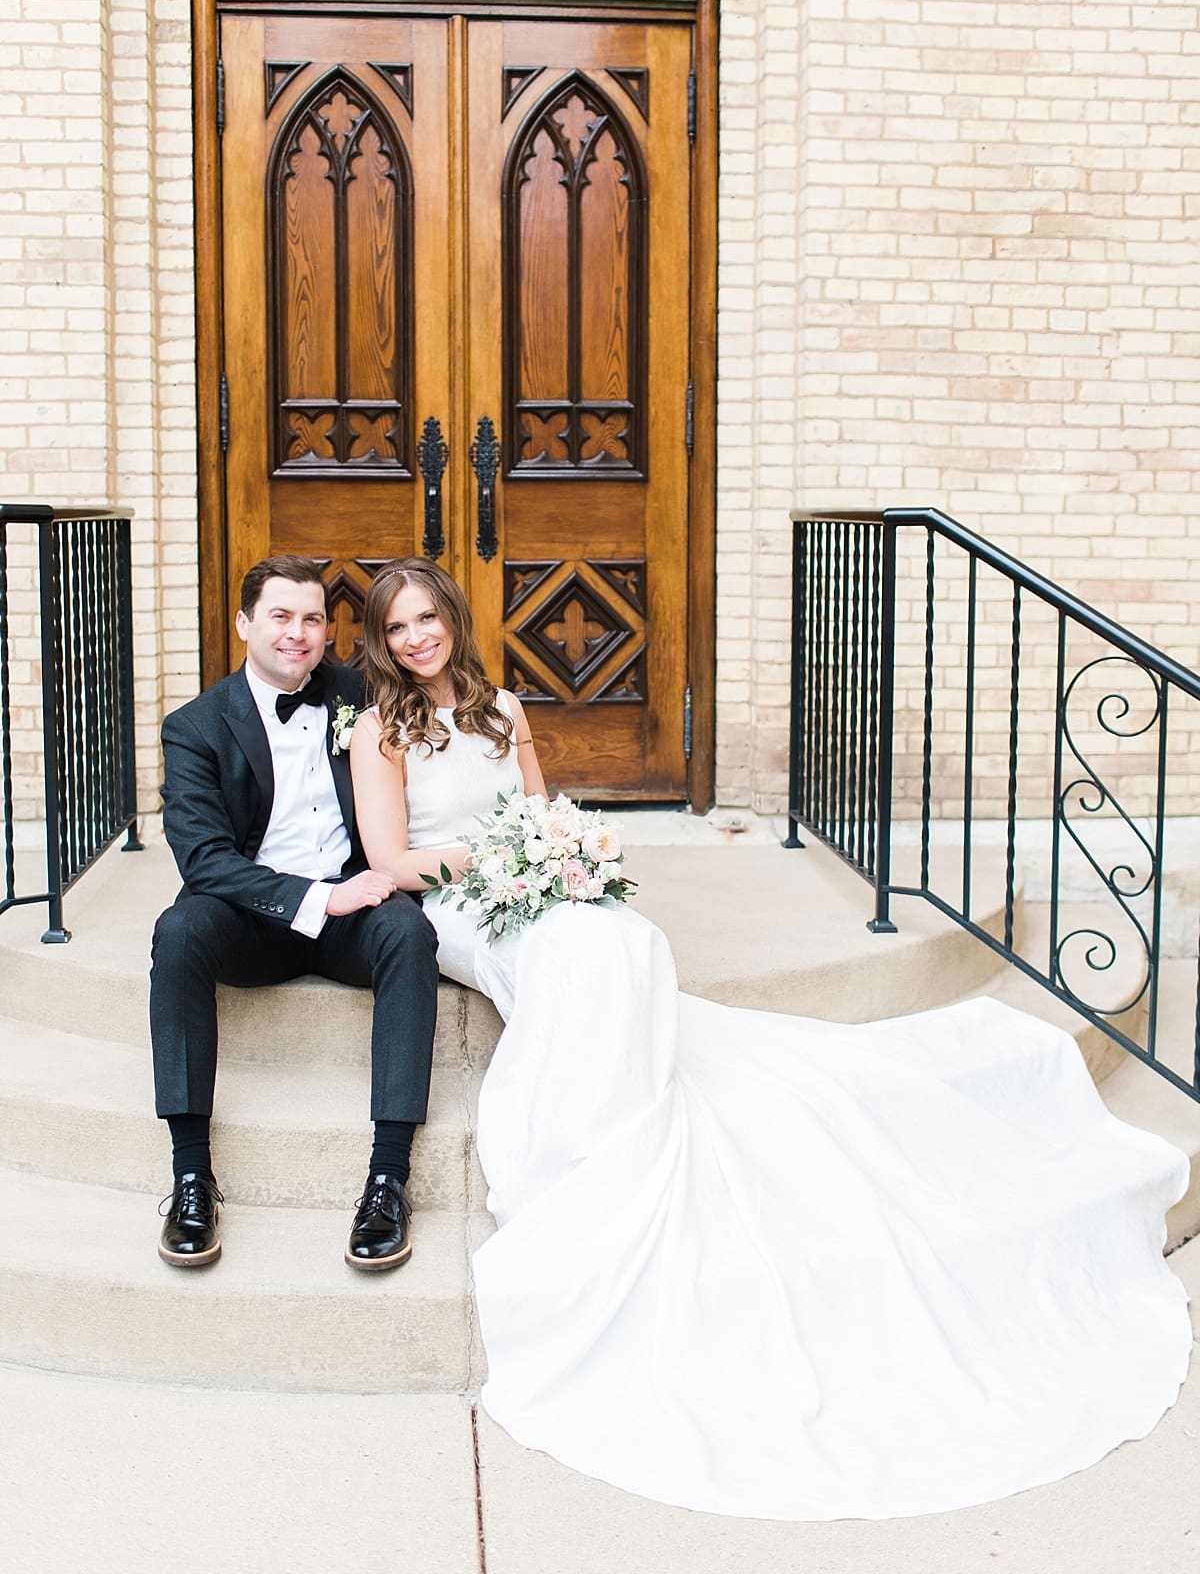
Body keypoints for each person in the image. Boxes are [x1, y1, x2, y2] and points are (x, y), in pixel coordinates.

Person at [350, 557, 1192, 1522]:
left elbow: (541, 809)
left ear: (452, 617)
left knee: (628, 938)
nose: (418, 638)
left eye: (429, 618)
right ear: (381, 639)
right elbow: (392, 862)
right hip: (464, 906)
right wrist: (501, 857)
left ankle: (632, 1103)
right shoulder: (381, 727)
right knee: (580, 956)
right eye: (398, 627)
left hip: (535, 880)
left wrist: (560, 850)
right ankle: (594, 1149)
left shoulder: (502, 705)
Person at [149, 554, 440, 1274]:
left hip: (353, 907)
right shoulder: (195, 726)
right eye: (280, 616)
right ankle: (191, 1178)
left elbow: (449, 708)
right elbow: (205, 860)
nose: (299, 633)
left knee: (408, 930)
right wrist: (316, 898)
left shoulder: (359, 693)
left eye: (313, 618)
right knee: (178, 930)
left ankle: (387, 1181)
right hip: (254, 916)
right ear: (246, 622)